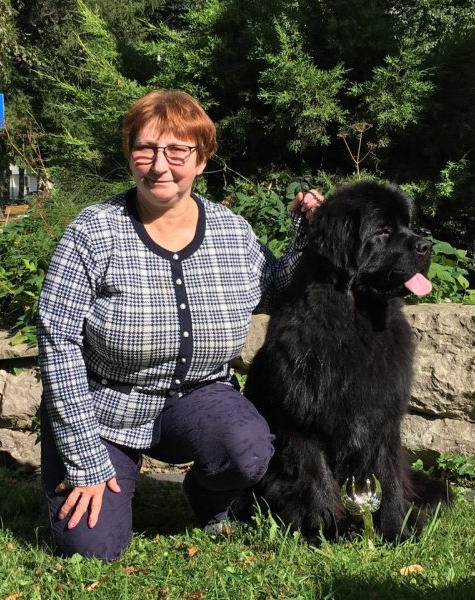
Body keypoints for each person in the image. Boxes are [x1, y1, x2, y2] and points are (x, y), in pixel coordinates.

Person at [37, 89, 323, 561]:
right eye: (145, 148)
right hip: (104, 405)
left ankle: (208, 496)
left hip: (200, 396)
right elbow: (58, 340)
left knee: (247, 448)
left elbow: (275, 291)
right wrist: (85, 460)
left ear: (201, 159)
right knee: (90, 547)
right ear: (130, 154)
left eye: (177, 150)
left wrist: (306, 233)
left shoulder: (233, 232)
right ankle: (102, 474)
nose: (160, 165)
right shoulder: (93, 231)